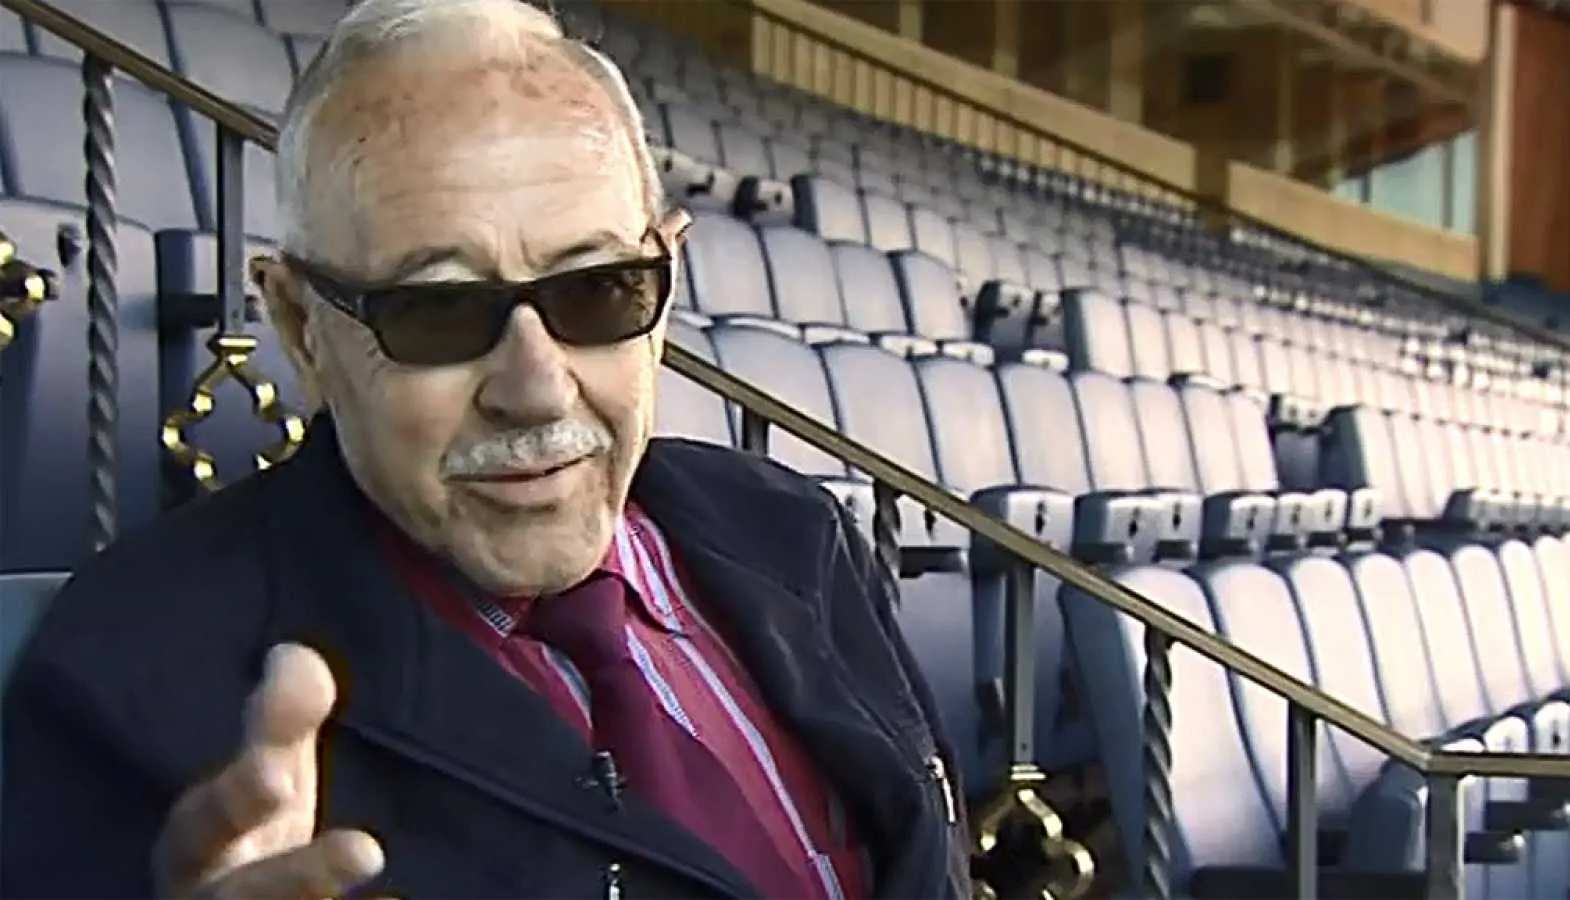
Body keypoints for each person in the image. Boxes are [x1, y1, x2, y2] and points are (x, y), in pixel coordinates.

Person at [0, 0, 970, 896]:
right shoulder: (130, 680)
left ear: (666, 276)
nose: (536, 386)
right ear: (299, 326)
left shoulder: (795, 531)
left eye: (598, 288)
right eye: (440, 309)